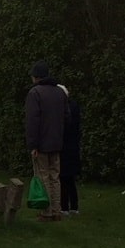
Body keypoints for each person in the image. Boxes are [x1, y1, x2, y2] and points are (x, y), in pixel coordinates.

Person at [26, 60, 69, 222]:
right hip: (57, 141)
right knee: (55, 176)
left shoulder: (35, 93)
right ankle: (57, 210)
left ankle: (47, 211)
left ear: (36, 77)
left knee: (43, 175)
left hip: (41, 143)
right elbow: (67, 117)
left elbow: (32, 121)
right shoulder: (60, 93)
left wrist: (33, 144)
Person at [57, 84, 81, 215]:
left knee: (63, 178)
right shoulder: (74, 106)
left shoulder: (63, 108)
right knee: (70, 179)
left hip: (64, 146)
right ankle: (74, 206)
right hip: (73, 146)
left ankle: (64, 206)